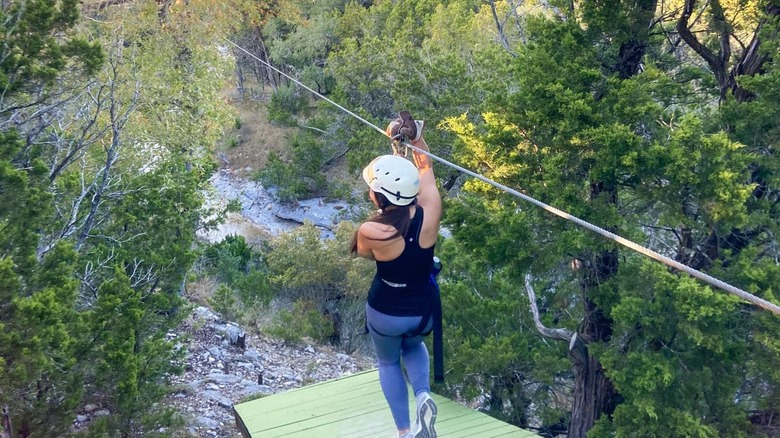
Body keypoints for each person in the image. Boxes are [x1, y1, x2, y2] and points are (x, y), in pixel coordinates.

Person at [350, 113, 442, 438]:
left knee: (388, 363)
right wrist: (415, 139)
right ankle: (423, 395)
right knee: (414, 347)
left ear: (379, 197)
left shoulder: (372, 230)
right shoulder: (430, 213)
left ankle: (405, 431)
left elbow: (363, 253)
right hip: (422, 311)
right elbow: (427, 173)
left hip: (386, 309)